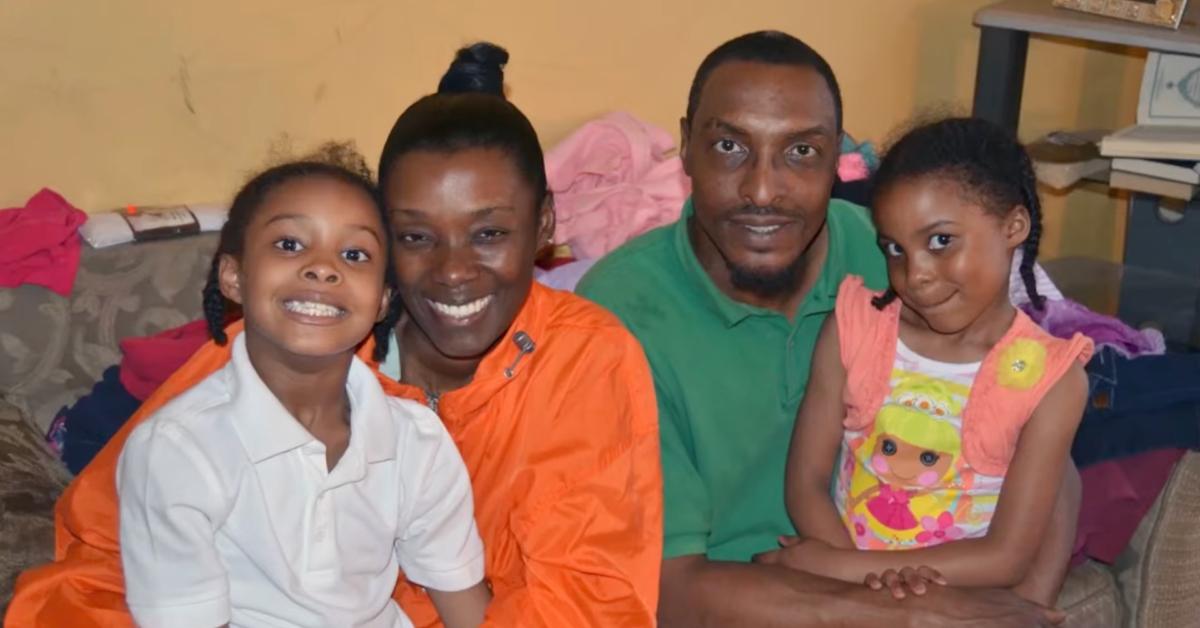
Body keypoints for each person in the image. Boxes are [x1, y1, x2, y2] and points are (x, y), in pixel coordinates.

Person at [7, 43, 662, 628]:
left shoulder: (582, 360)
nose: (454, 272)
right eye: (414, 237)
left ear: (544, 224)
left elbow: (584, 600)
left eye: (489, 233)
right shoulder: (272, 362)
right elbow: (99, 566)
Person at [577, 31, 1078, 626]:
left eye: (801, 152)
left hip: (899, 576)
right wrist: (910, 611)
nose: (762, 190)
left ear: (837, 158)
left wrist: (1027, 609)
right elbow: (664, 588)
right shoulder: (618, 314)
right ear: (686, 148)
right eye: (731, 146)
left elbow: (1045, 448)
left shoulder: (892, 257)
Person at [115, 148, 489, 628]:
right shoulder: (178, 451)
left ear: (383, 300)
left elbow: (465, 607)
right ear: (233, 276)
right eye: (290, 245)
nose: (323, 268)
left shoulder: (417, 441)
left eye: (354, 254)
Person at [782, 117, 1091, 607]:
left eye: (941, 241)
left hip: (958, 600)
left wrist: (842, 566)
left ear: (1014, 226)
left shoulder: (1052, 379)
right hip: (845, 595)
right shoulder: (852, 328)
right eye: (895, 249)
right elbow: (805, 485)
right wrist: (867, 590)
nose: (916, 275)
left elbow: (1007, 556)